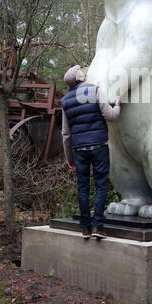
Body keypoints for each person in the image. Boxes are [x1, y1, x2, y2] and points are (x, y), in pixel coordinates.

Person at [61, 65, 121, 239]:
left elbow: (65, 134)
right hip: (99, 146)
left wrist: (69, 158)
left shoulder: (65, 101)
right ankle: (98, 227)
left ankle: (85, 229)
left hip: (79, 150)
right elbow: (110, 115)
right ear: (80, 78)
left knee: (83, 188)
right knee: (101, 185)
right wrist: (117, 105)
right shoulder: (96, 91)